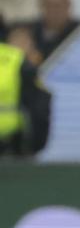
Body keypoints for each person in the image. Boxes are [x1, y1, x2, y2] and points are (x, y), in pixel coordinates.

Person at [0, 23, 52, 157]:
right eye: (17, 41)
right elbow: (39, 111)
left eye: (25, 42)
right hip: (13, 144)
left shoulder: (21, 64)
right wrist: (34, 146)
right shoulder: (18, 62)